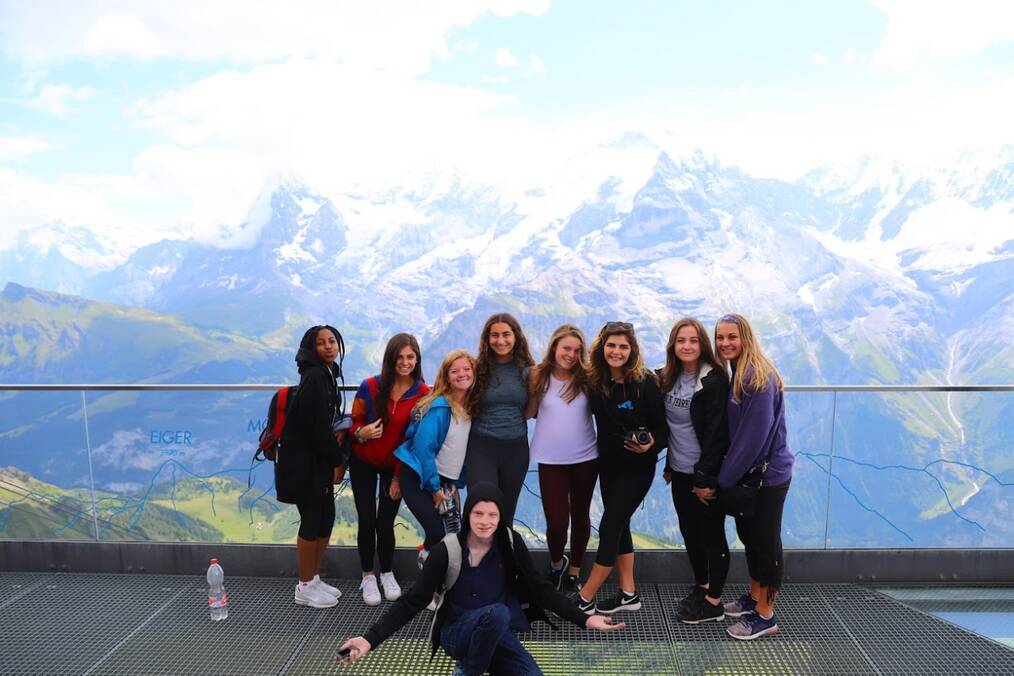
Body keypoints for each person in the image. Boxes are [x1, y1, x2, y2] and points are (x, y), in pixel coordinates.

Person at [337, 482, 625, 676]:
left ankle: (473, 666)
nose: (484, 521)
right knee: (497, 614)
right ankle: (468, 671)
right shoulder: (447, 550)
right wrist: (370, 639)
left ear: (500, 517)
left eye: (492, 514)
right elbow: (414, 601)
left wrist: (585, 620)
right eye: (478, 513)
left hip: (495, 632)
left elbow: (541, 590)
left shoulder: (510, 543)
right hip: (457, 632)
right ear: (468, 515)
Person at [574, 322, 666, 615]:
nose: (617, 351)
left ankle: (586, 597)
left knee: (610, 526)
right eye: (611, 345)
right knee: (621, 524)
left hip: (638, 469)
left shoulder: (645, 383)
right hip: (608, 467)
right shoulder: (595, 381)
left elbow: (664, 429)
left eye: (623, 346)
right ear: (602, 347)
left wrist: (651, 445)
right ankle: (629, 594)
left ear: (632, 350)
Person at [714, 313, 794, 640]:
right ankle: (755, 596)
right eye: (720, 337)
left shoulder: (756, 378)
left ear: (745, 338)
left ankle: (765, 615)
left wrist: (723, 480)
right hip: (754, 476)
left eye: (731, 337)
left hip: (767, 477)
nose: (725, 343)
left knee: (766, 545)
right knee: (751, 538)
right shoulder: (742, 371)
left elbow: (752, 439)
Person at [348, 333, 430, 606]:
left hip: (394, 465)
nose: (405, 362)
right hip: (362, 461)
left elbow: (414, 439)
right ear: (390, 358)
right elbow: (355, 420)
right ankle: (367, 576)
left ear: (417, 359)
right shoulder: (369, 386)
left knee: (385, 522)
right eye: (400, 357)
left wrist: (397, 477)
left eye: (411, 357)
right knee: (366, 519)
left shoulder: (422, 393)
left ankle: (386, 572)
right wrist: (361, 432)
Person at [658, 317, 731, 624]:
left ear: (702, 345)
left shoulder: (714, 380)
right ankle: (701, 587)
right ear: (673, 345)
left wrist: (704, 478)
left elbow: (716, 434)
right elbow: (671, 428)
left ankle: (714, 601)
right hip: (679, 469)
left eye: (693, 340)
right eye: (681, 341)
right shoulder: (667, 377)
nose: (687, 346)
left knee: (712, 535)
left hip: (705, 473)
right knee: (689, 531)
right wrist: (669, 464)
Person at [275, 325, 347, 609]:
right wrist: (338, 459)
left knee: (325, 517)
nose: (329, 346)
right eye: (321, 343)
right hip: (303, 464)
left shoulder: (324, 374)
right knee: (312, 519)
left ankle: (313, 578)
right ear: (311, 348)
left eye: (332, 341)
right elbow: (315, 429)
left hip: (315, 460)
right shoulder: (315, 377)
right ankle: (304, 586)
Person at [526, 324, 598, 593]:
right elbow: (529, 412)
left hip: (586, 457)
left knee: (580, 515)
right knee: (556, 523)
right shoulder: (539, 375)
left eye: (577, 350)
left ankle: (574, 571)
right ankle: (557, 564)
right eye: (567, 348)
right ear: (554, 347)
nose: (571, 355)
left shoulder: (588, 378)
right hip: (550, 459)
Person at [395, 349, 475, 563]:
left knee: (451, 534)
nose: (462, 374)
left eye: (467, 369)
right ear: (446, 377)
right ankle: (427, 563)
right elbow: (424, 449)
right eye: (455, 371)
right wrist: (435, 488)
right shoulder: (440, 408)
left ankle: (433, 566)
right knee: (437, 530)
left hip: (443, 481)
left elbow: (457, 450)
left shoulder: (471, 407)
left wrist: (453, 483)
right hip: (418, 477)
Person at [465, 313, 534, 527]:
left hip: (516, 450)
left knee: (505, 514)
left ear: (516, 337)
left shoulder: (529, 371)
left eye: (506, 334)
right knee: (481, 507)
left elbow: (531, 411)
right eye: (494, 335)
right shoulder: (476, 369)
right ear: (487, 339)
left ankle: (504, 550)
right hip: (481, 447)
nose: (500, 340)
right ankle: (471, 549)